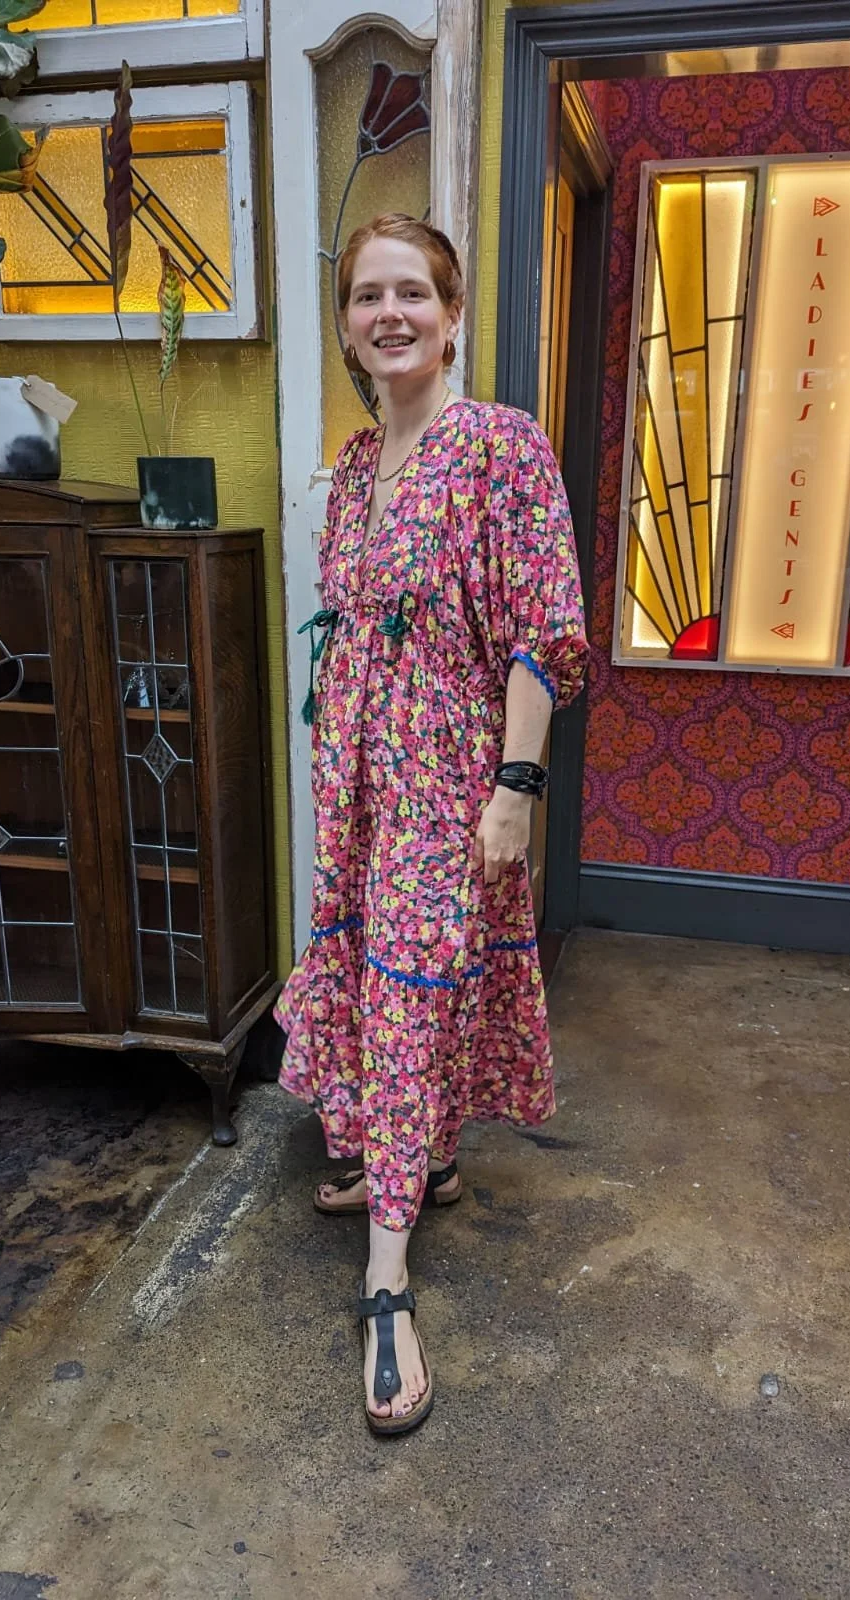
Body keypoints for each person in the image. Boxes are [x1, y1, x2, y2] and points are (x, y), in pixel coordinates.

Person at [275, 212, 588, 1436]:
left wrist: (516, 787)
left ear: (452, 318)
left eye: (413, 292)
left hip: (447, 788)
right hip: (356, 785)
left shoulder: (500, 448)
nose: (389, 313)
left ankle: (388, 1284)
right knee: (379, 981)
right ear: (348, 324)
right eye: (367, 296)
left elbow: (540, 630)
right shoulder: (356, 466)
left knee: (408, 1003)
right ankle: (425, 1164)